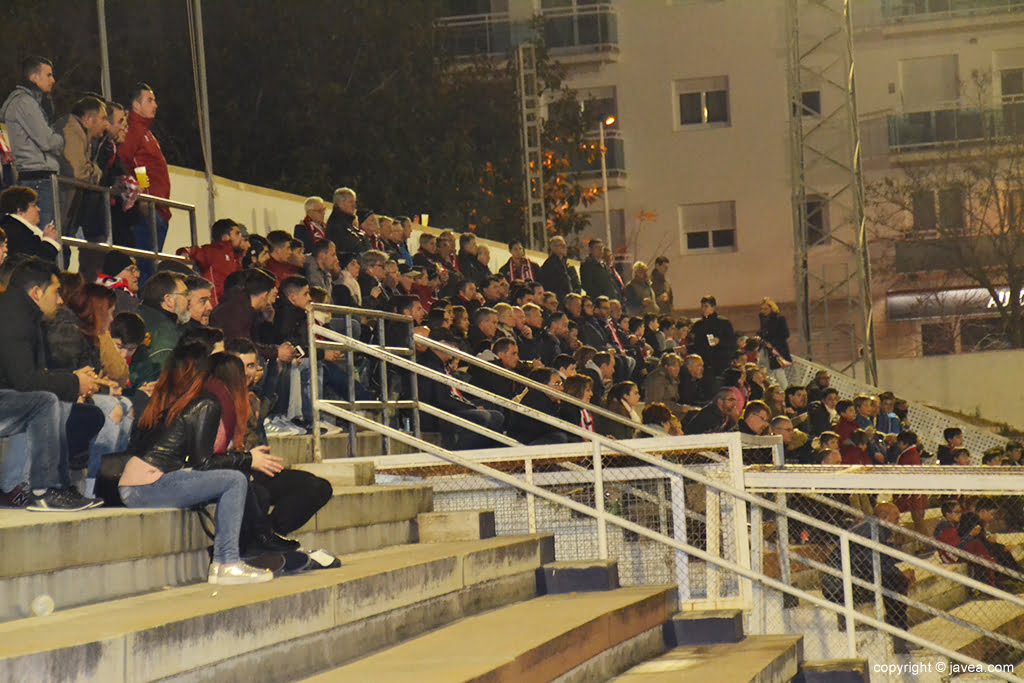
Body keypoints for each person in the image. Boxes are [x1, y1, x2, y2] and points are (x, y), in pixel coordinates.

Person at [118, 341, 272, 584]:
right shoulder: (208, 403)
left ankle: (238, 555)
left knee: (236, 481)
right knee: (235, 480)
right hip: (146, 485)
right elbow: (204, 463)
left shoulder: (199, 400)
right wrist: (248, 459)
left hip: (149, 480)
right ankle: (227, 563)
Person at [0, 258, 104, 509]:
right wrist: (74, 381)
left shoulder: (25, 314)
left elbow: (30, 376)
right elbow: (25, 381)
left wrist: (74, 381)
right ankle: (42, 489)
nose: (60, 300)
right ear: (36, 292)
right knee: (44, 401)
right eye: (56, 292)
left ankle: (57, 486)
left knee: (57, 400)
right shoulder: (12, 317)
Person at [224, 339, 333, 536]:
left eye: (251, 366)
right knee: (260, 495)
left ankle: (270, 535)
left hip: (258, 470)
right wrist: (244, 464)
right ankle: (254, 543)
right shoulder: (219, 399)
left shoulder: (252, 398)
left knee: (318, 487)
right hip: (232, 472)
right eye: (240, 366)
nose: (247, 373)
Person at [822, 502, 914, 648]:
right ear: (884, 519)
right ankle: (899, 637)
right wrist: (901, 575)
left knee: (896, 579)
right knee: (896, 582)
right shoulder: (871, 531)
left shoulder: (877, 530)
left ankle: (899, 635)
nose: (899, 523)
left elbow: (883, 561)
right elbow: (874, 564)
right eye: (896, 519)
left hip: (853, 579)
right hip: (839, 587)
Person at [0, 57, 62, 228]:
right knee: (42, 235)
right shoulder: (24, 102)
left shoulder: (33, 102)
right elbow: (47, 141)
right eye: (48, 75)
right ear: (34, 77)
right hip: (37, 178)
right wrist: (60, 140)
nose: (53, 80)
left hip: (38, 177)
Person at [118, 83, 170, 281]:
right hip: (150, 209)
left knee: (149, 269)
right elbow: (125, 160)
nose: (155, 104)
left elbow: (140, 167)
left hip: (158, 208)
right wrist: (143, 196)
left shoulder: (145, 132)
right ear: (136, 105)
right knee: (145, 271)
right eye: (150, 100)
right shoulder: (135, 130)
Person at [57, 96, 107, 237]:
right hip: (58, 206)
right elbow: (78, 172)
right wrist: (95, 172)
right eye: (103, 118)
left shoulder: (81, 134)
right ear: (88, 119)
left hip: (64, 209)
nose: (106, 124)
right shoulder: (73, 130)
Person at [130, 271, 189, 386]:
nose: (188, 300)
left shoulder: (137, 314)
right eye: (185, 295)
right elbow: (165, 381)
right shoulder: (165, 331)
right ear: (168, 300)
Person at [177, 219, 244, 303]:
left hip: (229, 308)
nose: (241, 238)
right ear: (225, 237)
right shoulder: (212, 252)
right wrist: (185, 252)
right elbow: (194, 251)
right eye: (237, 234)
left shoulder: (236, 260)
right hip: (213, 306)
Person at [508, 367, 569, 445]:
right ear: (542, 385)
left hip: (533, 439)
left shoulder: (550, 401)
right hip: (522, 445)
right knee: (559, 437)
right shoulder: (535, 398)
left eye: (561, 384)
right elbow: (549, 427)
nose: (562, 388)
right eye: (557, 384)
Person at [0, 185, 60, 262]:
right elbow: (35, 267)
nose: (38, 209)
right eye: (34, 205)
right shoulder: (17, 233)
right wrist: (49, 241)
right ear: (20, 210)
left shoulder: (13, 228)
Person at [689, 295, 736, 389]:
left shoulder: (724, 323)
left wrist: (720, 341)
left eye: (706, 306)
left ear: (713, 307)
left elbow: (732, 343)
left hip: (720, 363)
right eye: (702, 306)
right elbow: (696, 344)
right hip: (704, 364)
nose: (703, 309)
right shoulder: (698, 325)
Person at [642, 353, 687, 421]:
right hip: (657, 417)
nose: (677, 369)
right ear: (666, 366)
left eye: (678, 366)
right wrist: (680, 408)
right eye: (674, 366)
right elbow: (656, 402)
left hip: (668, 414)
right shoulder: (657, 379)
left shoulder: (671, 378)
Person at [757, 297, 791, 385]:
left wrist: (772, 344)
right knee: (769, 373)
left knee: (779, 373)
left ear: (772, 308)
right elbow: (763, 332)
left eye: (766, 309)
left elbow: (785, 334)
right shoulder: (763, 319)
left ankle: (784, 390)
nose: (763, 311)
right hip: (767, 350)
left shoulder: (779, 319)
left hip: (776, 350)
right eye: (762, 309)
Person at [537, 236, 578, 300]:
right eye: (560, 245)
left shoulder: (569, 267)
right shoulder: (549, 266)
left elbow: (577, 285)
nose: (564, 247)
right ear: (552, 248)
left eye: (564, 245)